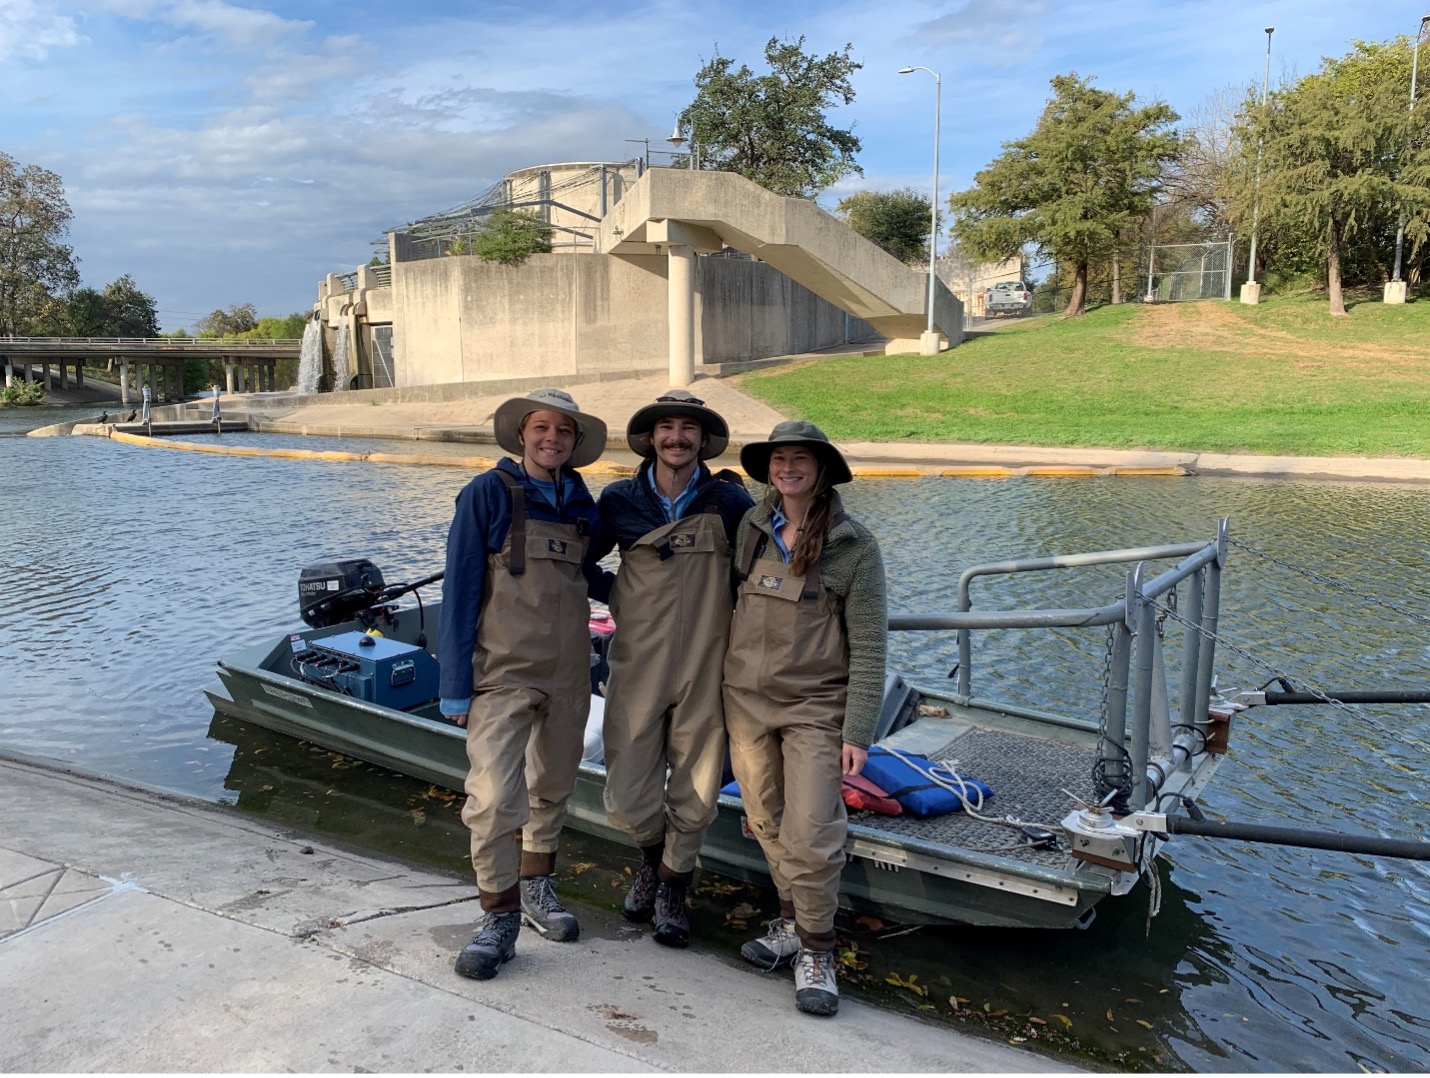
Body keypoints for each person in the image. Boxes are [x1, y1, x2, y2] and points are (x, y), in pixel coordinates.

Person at [438, 387, 612, 981]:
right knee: (491, 799)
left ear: (575, 443)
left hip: (569, 674)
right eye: (542, 428)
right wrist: (454, 685)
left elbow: (589, 577)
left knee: (552, 791)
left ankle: (538, 888)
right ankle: (498, 917)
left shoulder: (581, 504)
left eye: (565, 432)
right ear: (521, 435)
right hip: (502, 674)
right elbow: (459, 591)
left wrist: (664, 594)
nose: (552, 439)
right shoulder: (486, 493)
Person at [723, 420, 887, 1017]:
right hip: (744, 701)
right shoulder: (750, 527)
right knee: (765, 818)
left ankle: (818, 951)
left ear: (821, 470)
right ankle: (792, 922)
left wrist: (858, 732)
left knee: (814, 829)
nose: (788, 468)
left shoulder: (854, 546)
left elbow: (869, 647)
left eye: (800, 459)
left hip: (816, 709)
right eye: (779, 458)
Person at [592, 389, 754, 947]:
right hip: (637, 661)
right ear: (651, 437)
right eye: (667, 428)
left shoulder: (731, 503)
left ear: (704, 440)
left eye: (689, 429)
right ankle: (652, 858)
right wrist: (619, 596)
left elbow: (755, 578)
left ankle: (672, 886)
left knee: (699, 784)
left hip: (708, 664)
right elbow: (576, 561)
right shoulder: (617, 500)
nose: (677, 438)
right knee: (629, 787)